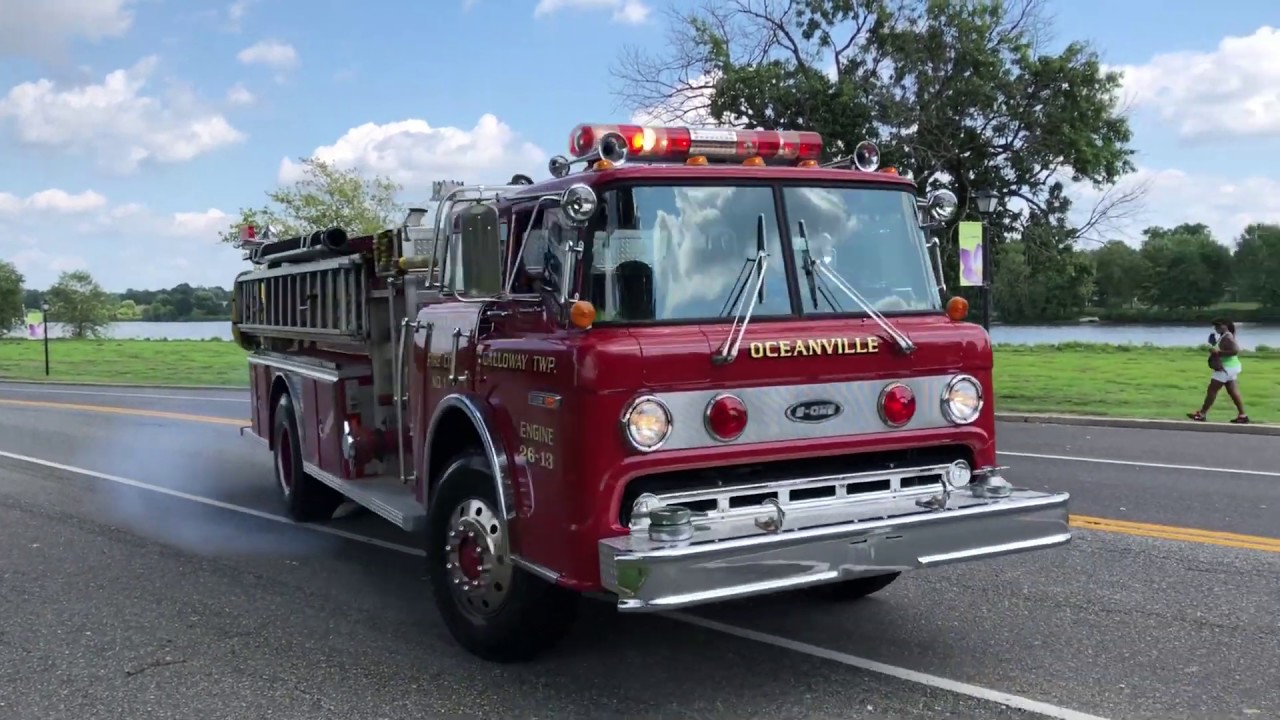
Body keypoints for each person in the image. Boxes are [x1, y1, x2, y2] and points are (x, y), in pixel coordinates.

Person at [1187, 318, 1249, 424]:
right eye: (1215, 326)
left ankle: (1201, 414)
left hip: (1225, 368)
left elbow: (1235, 350)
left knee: (1212, 390)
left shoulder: (1227, 336)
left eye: (1219, 326)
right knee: (1233, 392)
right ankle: (1242, 415)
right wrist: (1213, 343)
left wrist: (1217, 352)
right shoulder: (1224, 336)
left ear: (1226, 325)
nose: (1217, 328)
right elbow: (1223, 348)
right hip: (1231, 368)